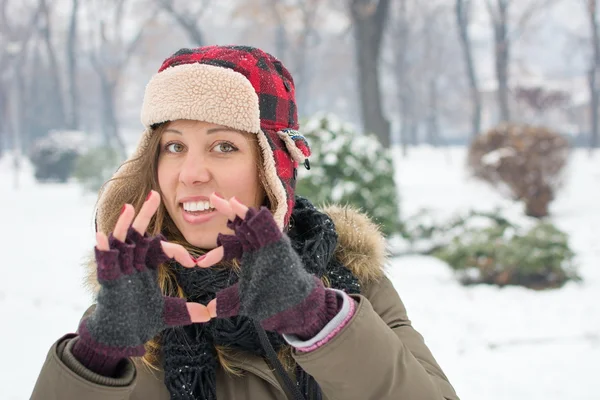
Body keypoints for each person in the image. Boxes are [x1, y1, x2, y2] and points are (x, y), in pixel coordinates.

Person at [31, 45, 459, 400]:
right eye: (174, 146)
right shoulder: (134, 303)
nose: (191, 173)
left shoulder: (351, 282)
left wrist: (317, 320)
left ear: (273, 170)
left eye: (223, 145)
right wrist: (96, 357)